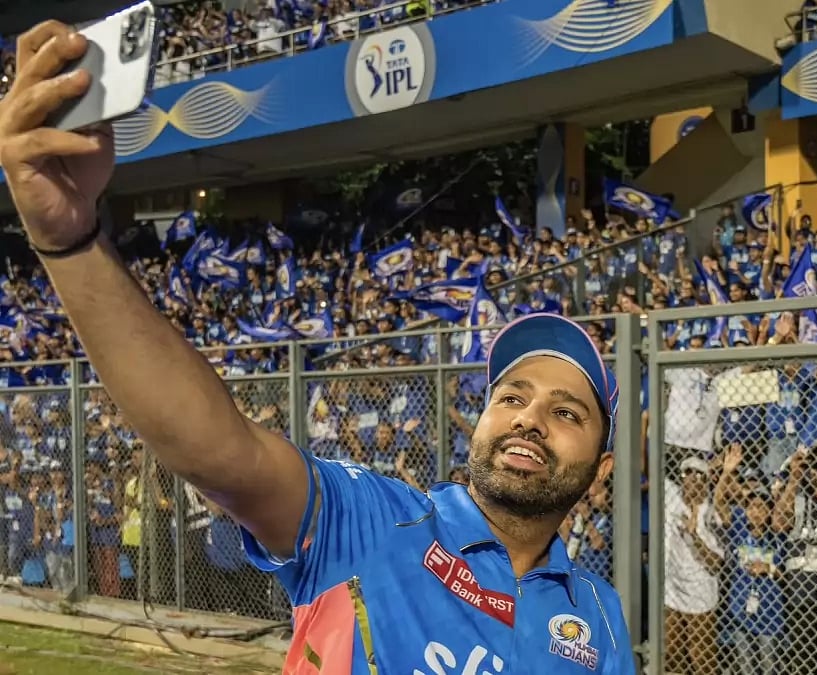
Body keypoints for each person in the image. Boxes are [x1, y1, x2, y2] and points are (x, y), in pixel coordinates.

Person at [0, 21, 635, 673]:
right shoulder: (377, 519)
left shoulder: (600, 620)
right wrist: (71, 242)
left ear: (603, 467)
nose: (530, 417)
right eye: (512, 396)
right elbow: (220, 451)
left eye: (567, 412)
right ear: (481, 419)